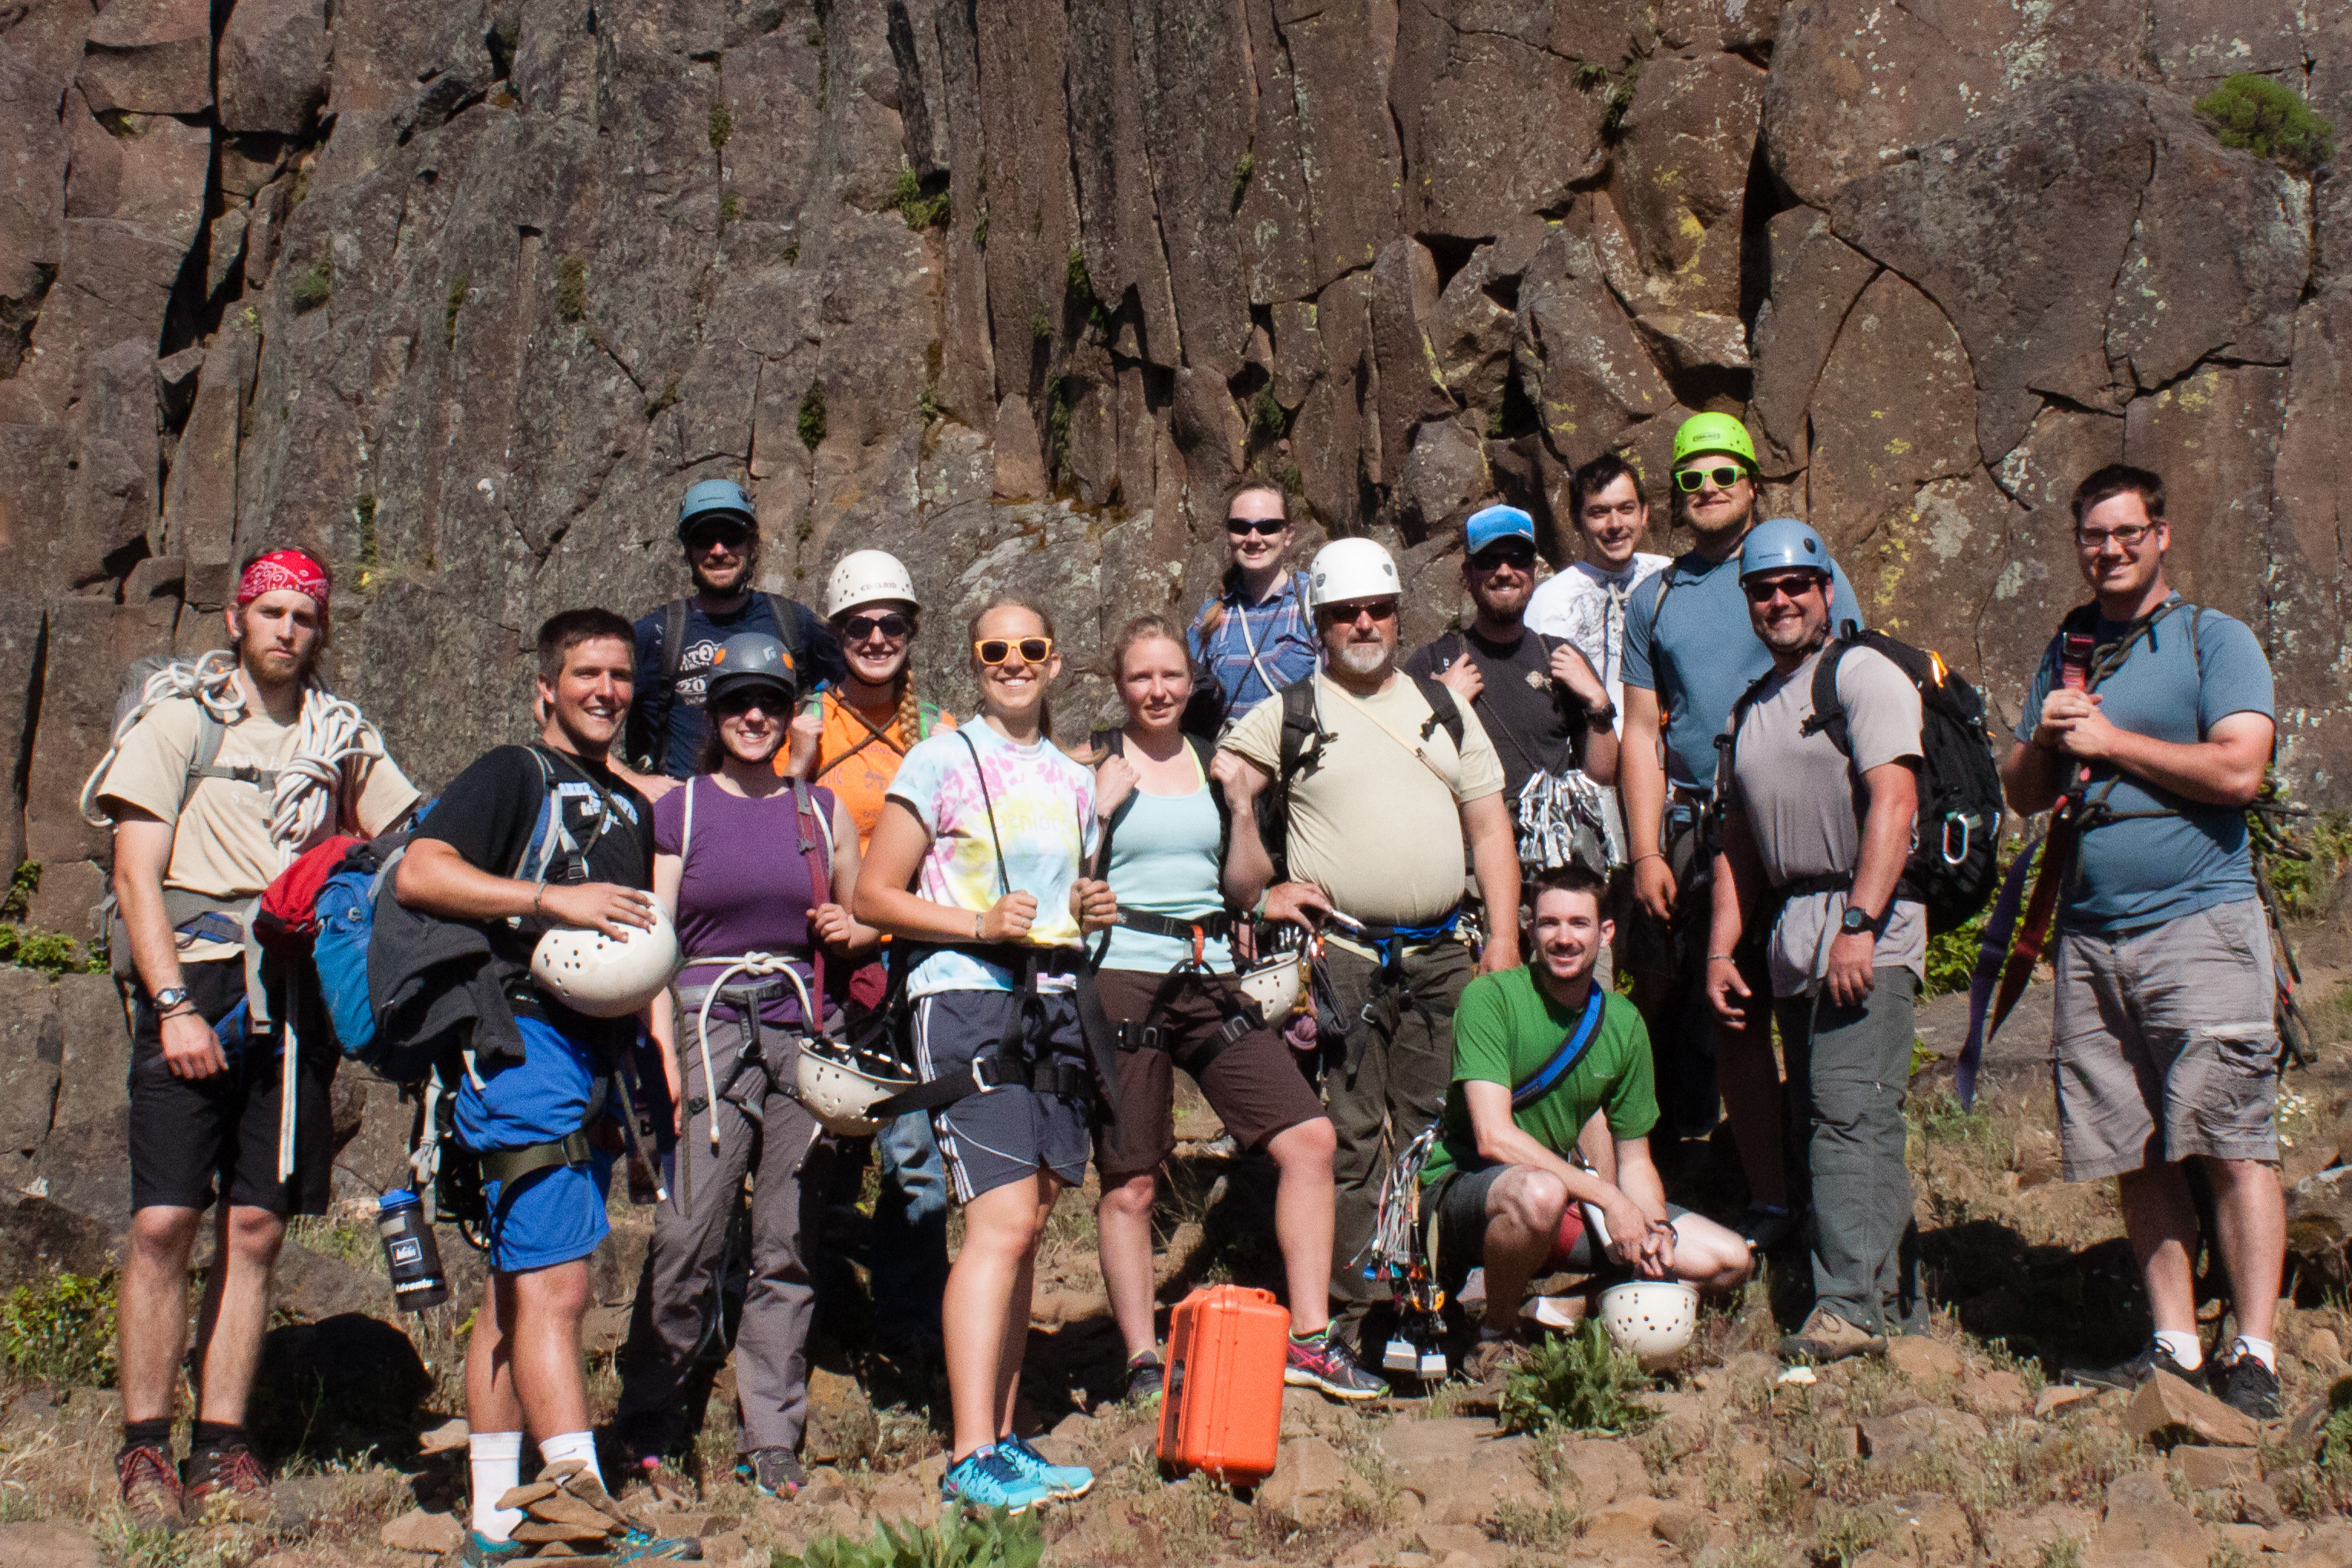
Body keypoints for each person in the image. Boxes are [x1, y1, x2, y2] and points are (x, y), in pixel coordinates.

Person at [96, 548, 419, 1529]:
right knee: (163, 1220)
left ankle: (222, 1443)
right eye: (271, 611)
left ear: (321, 630)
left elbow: (410, 840)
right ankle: (143, 1443)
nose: (287, 629)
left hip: (295, 991)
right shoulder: (179, 719)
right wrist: (171, 1004)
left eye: (304, 616)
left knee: (256, 1225)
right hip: (195, 977)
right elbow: (135, 872)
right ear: (238, 617)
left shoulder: (342, 738)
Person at [393, 610, 698, 1566]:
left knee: (517, 1283)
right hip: (517, 1043)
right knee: (559, 1284)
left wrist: (651, 1066)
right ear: (546, 689)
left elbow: (633, 947)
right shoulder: (511, 773)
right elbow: (421, 871)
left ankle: (496, 1516)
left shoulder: (631, 806)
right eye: (585, 673)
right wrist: (546, 897)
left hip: (598, 1059)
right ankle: (578, 1506)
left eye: (620, 675)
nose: (606, 689)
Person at [2002, 465, 2285, 1418]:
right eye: (2094, 535)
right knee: (2137, 1144)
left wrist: (2110, 740)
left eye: (2127, 532)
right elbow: (2021, 793)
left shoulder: (2214, 639)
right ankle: (2173, 1344)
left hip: (2199, 921)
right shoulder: (2069, 647)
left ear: (2160, 534)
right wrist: (2046, 739)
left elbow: (2239, 770)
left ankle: (2254, 1352)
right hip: (2090, 935)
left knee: (2232, 1137)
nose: (2110, 549)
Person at [1216, 537, 1523, 1358]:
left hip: (1443, 954)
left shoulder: (1443, 707)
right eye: (1345, 611)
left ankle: (1430, 1303)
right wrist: (1262, 892)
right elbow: (1223, 786)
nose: (1363, 623)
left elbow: (1489, 826)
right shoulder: (1289, 711)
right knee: (1349, 1136)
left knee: (1436, 1133)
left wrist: (1503, 937)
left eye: (1377, 609)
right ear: (1318, 621)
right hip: (1340, 958)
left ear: (1396, 614)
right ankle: (1357, 1317)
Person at [854, 599, 1117, 1514]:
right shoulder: (938, 759)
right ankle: (970, 1452)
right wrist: (977, 921)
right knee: (999, 1220)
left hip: (1053, 997)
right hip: (964, 996)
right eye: (994, 648)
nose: (1013, 660)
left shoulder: (1075, 777)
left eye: (1029, 646)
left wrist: (1089, 910)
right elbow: (873, 893)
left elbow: (1063, 896)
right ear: (972, 662)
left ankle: (1002, 1439)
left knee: (1029, 1222)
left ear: (1054, 660)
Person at [1085, 616, 1384, 1405]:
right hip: (1123, 973)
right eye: (1141, 676)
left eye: (1170, 676)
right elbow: (1066, 878)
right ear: (1119, 685)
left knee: (1308, 1137)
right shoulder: (1095, 761)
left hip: (1210, 973)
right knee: (1132, 1177)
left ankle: (1310, 1338)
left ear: (1191, 683)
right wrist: (1097, 811)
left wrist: (1244, 807)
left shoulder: (1208, 762)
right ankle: (1141, 1357)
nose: (1157, 690)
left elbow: (1244, 887)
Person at [614, 633, 877, 1498]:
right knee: (688, 1229)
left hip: (802, 1025)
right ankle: (648, 1417)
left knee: (788, 1238)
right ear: (714, 714)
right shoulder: (682, 809)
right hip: (706, 1021)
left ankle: (771, 1432)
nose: (755, 715)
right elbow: (653, 941)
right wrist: (663, 1050)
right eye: (737, 702)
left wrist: (850, 928)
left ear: (790, 713)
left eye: (770, 701)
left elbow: (863, 915)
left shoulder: (822, 810)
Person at [1617, 413, 1863, 1247]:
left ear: (1753, 483)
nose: (1708, 489)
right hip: (1701, 825)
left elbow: (1850, 677)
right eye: (1692, 478)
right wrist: (1645, 849)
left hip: (1800, 819)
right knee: (1733, 1013)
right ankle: (1768, 1197)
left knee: (1816, 1004)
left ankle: (1832, 1190)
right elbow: (1641, 732)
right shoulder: (1654, 598)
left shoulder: (1799, 567)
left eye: (1724, 473)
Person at [1703, 520, 1924, 1362]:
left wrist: (1859, 924)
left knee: (1848, 1113)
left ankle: (1849, 1307)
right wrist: (1722, 951)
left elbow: (1894, 803)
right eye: (1763, 590)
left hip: (1866, 926)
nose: (1780, 600)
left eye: (1796, 585)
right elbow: (1737, 845)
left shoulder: (1861, 675)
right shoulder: (1751, 708)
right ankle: (1893, 1301)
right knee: (1825, 1116)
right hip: (1793, 936)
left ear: (1826, 590)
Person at [1423, 866, 1750, 1374]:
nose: (1564, 938)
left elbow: (1634, 1159)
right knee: (1539, 1193)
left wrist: (1654, 1228)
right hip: (1467, 1191)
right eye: (1549, 923)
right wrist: (1609, 1199)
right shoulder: (1491, 998)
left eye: (1579, 923)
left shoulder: (1623, 1022)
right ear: (1530, 929)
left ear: (1606, 932)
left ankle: (1564, 1308)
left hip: (1560, 1195)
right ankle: (1495, 1334)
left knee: (1728, 1259)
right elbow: (1493, 1136)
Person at [781, 549, 957, 1363]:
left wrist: (877, 930)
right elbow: (766, 836)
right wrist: (798, 768)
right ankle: (805, 1316)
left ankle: (910, 1329)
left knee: (912, 1152)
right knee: (811, 1149)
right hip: (820, 965)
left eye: (892, 624)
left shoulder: (940, 731)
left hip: (908, 963)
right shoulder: (803, 726)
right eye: (859, 626)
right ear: (837, 635)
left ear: (911, 630)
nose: (877, 637)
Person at [621, 478, 846, 794]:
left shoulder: (794, 623)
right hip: (685, 812)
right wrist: (633, 779)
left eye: (731, 536)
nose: (718, 550)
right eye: (704, 538)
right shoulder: (656, 634)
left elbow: (852, 693)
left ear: (752, 544)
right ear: (686, 551)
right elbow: (572, 713)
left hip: (776, 803)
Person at [1402, 502, 1619, 807]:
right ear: (1468, 573)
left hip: (1553, 834)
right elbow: (1403, 771)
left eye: (1518, 558)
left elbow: (1603, 777)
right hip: (1469, 833)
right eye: (1489, 560)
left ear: (1534, 570)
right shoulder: (1431, 664)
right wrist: (1444, 707)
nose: (1505, 572)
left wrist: (1599, 701)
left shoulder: (1562, 658)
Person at [1525, 453, 1671, 728]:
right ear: (1575, 520)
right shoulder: (1551, 601)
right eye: (1599, 513)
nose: (1615, 524)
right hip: (1594, 745)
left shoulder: (1669, 576)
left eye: (1626, 509)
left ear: (1644, 514)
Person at [1186, 479, 1319, 735]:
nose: (1253, 538)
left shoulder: (1313, 604)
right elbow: (1180, 692)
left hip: (1296, 756)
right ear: (1229, 535)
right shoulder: (1210, 615)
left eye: (1268, 527)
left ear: (1288, 535)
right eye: (1241, 527)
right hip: (1226, 755)